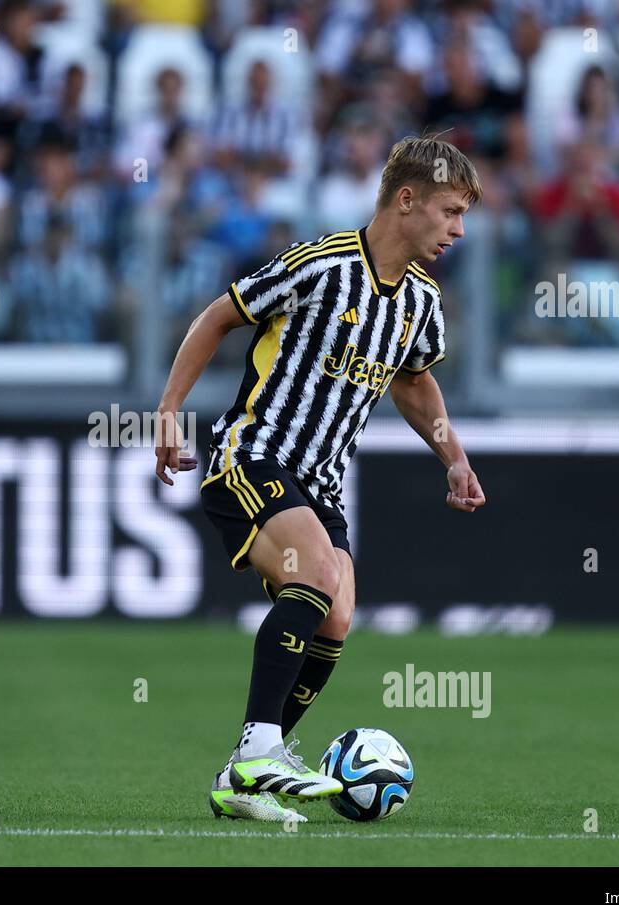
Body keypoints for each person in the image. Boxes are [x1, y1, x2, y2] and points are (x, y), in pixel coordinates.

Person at [152, 136, 487, 822]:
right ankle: (259, 750)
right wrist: (167, 411)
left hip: (322, 483)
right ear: (406, 200)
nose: (459, 229)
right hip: (254, 455)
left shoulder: (422, 301)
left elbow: (414, 381)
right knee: (319, 579)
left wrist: (453, 456)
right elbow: (221, 315)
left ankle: (243, 778)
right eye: (451, 211)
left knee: (335, 615)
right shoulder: (321, 265)